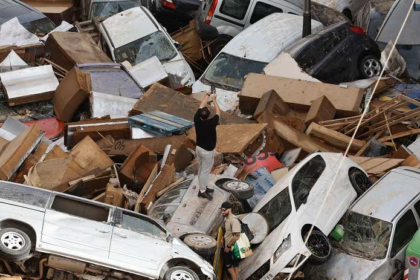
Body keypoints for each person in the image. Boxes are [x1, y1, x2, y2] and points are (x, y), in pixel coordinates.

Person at [194, 91, 221, 200]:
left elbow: (201, 106)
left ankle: (203, 187)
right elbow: (218, 113)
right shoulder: (211, 123)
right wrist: (214, 99)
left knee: (201, 168)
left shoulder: (197, 119)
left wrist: (207, 95)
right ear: (208, 116)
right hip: (206, 152)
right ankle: (202, 191)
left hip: (199, 148)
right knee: (205, 171)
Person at [221, 202, 241, 280]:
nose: (222, 212)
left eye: (224, 210)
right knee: (234, 267)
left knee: (230, 268)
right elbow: (226, 231)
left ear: (229, 209)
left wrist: (228, 246)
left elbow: (236, 236)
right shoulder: (226, 219)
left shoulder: (234, 220)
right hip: (229, 246)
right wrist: (222, 238)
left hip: (232, 248)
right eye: (221, 210)